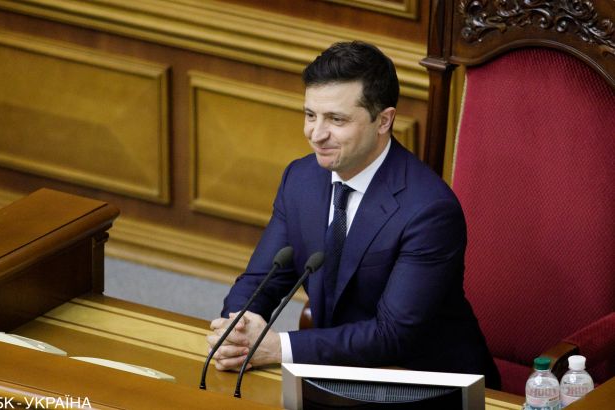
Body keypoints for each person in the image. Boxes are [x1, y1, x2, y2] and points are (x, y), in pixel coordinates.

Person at [207, 40, 500, 389]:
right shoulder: (300, 179)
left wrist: (278, 347)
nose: (316, 134)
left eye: (336, 119)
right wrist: (238, 329)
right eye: (310, 115)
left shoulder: (429, 210)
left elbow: (392, 334)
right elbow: (261, 280)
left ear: (383, 121)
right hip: (332, 371)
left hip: (421, 382)